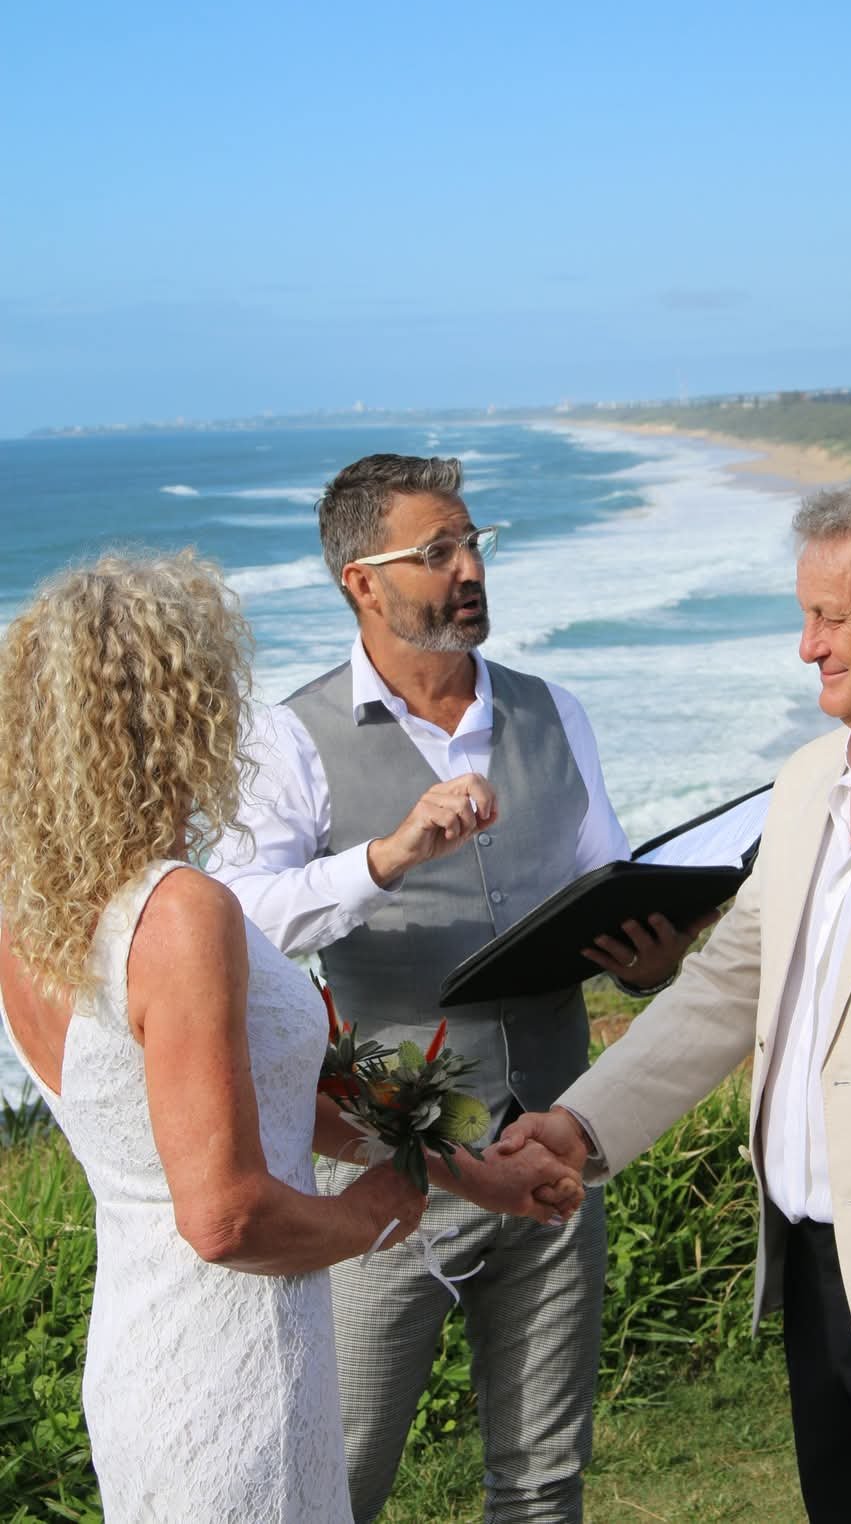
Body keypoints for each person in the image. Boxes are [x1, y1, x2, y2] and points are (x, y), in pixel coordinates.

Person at [500, 473, 851, 1523]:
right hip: (820, 1287)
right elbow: (731, 984)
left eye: (830, 618)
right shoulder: (809, 778)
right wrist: (584, 1126)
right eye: (802, 616)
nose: (805, 646)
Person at [0, 551, 579, 1524]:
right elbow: (226, 1216)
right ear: (178, 715)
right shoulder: (181, 913)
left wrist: (473, 1171)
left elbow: (288, 1088)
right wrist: (374, 1217)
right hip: (243, 1356)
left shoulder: (33, 913)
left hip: (145, 1350)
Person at [211, 452, 707, 1523]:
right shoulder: (290, 736)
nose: (469, 567)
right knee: (338, 1472)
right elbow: (231, 922)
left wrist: (655, 958)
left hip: (549, 1145)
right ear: (361, 581)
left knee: (541, 1481)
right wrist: (381, 861)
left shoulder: (554, 711)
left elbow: (602, 883)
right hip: (385, 1160)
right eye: (436, 551)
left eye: (474, 542)